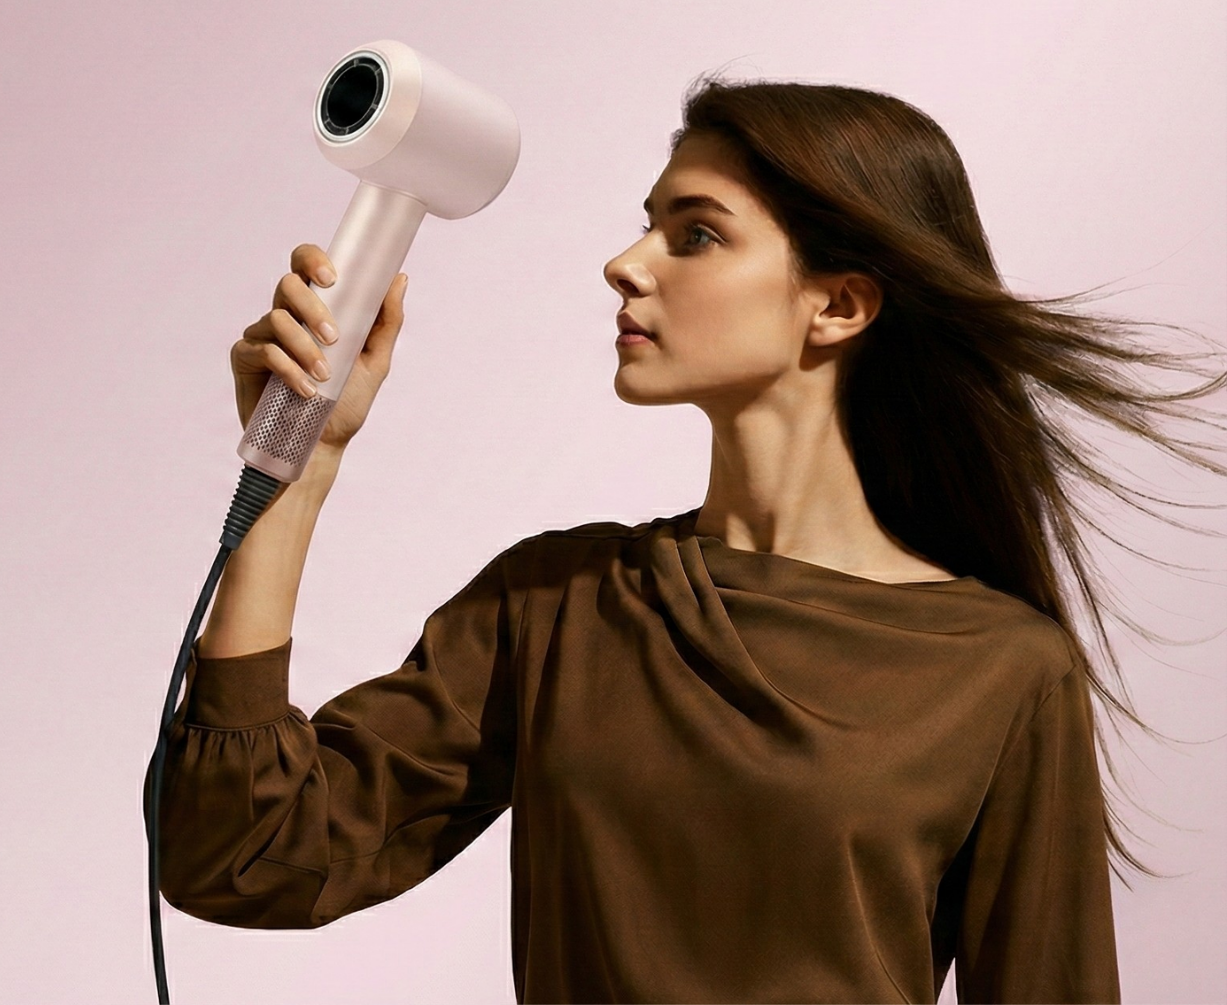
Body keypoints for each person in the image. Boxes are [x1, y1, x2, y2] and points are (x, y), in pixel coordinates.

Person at [149, 77, 1227, 1003]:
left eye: (694, 233)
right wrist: (298, 469)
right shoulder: (557, 602)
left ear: (839, 305)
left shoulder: (1003, 670)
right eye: (646, 224)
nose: (624, 264)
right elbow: (242, 856)